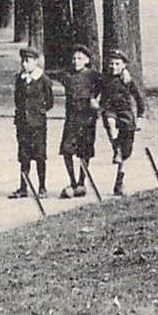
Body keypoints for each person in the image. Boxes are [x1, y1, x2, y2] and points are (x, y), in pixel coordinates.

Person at [56, 43, 103, 199]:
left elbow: (106, 87)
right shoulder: (66, 75)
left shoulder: (94, 75)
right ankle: (72, 182)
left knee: (85, 150)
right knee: (67, 150)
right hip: (71, 118)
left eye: (80, 58)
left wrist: (97, 100)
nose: (76, 61)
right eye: (74, 58)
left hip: (88, 118)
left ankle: (82, 182)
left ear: (87, 60)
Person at [100, 49, 146, 197]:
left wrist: (140, 116)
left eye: (117, 64)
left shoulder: (127, 80)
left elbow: (138, 98)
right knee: (110, 124)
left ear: (124, 65)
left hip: (125, 112)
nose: (113, 66)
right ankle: (116, 150)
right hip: (110, 109)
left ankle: (119, 181)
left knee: (126, 150)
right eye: (111, 63)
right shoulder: (104, 79)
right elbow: (95, 92)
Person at [11, 46, 53, 198]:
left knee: (40, 155)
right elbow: (18, 99)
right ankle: (23, 187)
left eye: (27, 61)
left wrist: (37, 112)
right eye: (23, 61)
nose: (24, 64)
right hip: (22, 123)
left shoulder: (43, 80)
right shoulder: (19, 79)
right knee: (24, 156)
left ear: (36, 62)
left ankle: (42, 187)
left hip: (38, 123)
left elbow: (49, 102)